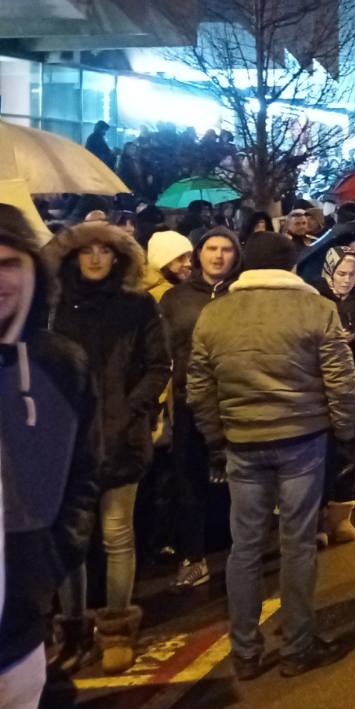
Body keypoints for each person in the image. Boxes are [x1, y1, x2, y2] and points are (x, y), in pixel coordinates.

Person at [186, 230, 355, 680]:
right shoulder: (316, 309)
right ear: (292, 265)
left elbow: (199, 387)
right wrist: (344, 430)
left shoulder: (215, 313)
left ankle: (245, 650)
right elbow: (341, 381)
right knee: (297, 542)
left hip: (242, 442)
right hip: (302, 438)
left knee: (244, 546)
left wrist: (217, 436)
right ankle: (298, 644)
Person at [45, 221, 170, 674]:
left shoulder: (137, 305)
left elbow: (159, 364)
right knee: (70, 541)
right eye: (87, 250)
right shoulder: (54, 307)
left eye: (105, 251)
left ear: (118, 258)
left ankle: (117, 628)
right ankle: (74, 630)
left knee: (117, 534)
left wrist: (130, 410)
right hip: (66, 442)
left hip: (121, 439)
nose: (95, 258)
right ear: (72, 256)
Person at [0, 206, 99, 693]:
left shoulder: (60, 363)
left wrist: (49, 561)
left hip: (20, 624)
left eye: (8, 264)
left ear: (33, 270)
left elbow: (84, 471)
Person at [155, 225, 240, 590]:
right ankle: (193, 555)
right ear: (199, 254)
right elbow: (162, 350)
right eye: (211, 248)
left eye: (226, 249)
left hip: (235, 400)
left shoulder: (242, 293)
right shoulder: (176, 298)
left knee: (238, 477)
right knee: (189, 477)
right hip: (189, 399)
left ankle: (240, 550)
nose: (218, 256)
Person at [312, 245, 355, 547]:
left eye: (352, 274)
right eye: (341, 273)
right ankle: (317, 518)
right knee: (320, 454)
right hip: (320, 389)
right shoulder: (314, 297)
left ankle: (341, 516)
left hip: (352, 387)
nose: (346, 280)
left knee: (347, 451)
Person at [145, 230, 193, 302]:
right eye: (180, 258)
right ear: (162, 263)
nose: (189, 263)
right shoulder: (156, 297)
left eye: (189, 256)